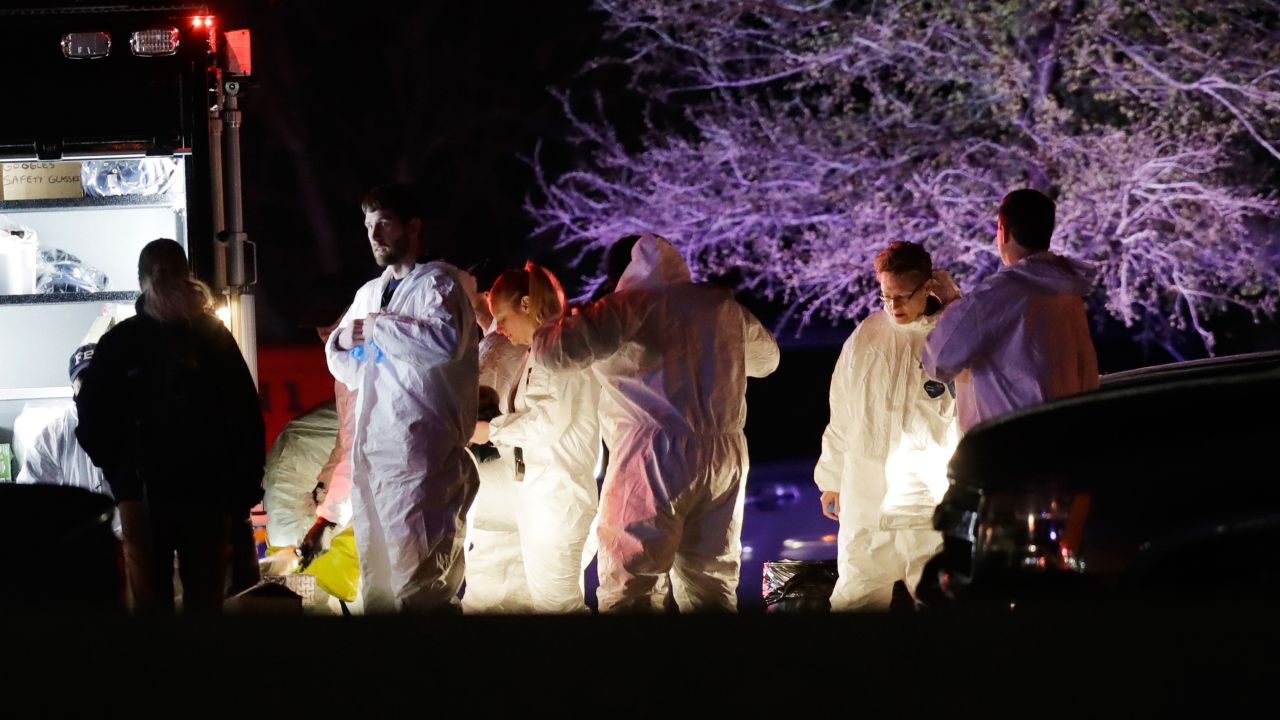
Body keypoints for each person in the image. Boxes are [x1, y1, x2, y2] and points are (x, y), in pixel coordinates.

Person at [531, 233, 780, 612]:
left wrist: (555, 320)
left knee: (631, 582)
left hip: (652, 455)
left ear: (619, 274)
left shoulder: (627, 305)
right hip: (725, 454)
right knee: (711, 584)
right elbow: (767, 360)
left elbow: (556, 354)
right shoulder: (719, 305)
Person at [75, 238, 264, 613]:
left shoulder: (124, 341)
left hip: (185, 494)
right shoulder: (209, 338)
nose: (164, 280)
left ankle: (163, 670)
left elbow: (92, 416)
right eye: (160, 272)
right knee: (197, 602)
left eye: (168, 272)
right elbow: (245, 415)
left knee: (159, 604)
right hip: (177, 494)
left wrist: (120, 477)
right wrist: (124, 479)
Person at [324, 184, 479, 612]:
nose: (374, 236)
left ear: (412, 227)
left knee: (421, 580)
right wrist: (340, 343)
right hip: (375, 455)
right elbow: (352, 369)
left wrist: (376, 328)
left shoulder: (440, 286)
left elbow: (442, 343)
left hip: (422, 456)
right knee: (379, 582)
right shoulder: (369, 294)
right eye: (368, 226)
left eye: (384, 224)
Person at [814, 241, 959, 610]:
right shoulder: (866, 336)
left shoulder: (950, 338)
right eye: (885, 295)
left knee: (938, 602)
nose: (893, 306)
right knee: (854, 601)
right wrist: (831, 478)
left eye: (902, 296)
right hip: (865, 500)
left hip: (925, 506)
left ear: (928, 287)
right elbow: (842, 410)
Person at [469, 262, 601, 613]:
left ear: (526, 305)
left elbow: (546, 423)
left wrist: (488, 431)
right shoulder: (543, 348)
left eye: (504, 318)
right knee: (551, 604)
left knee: (559, 606)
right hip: (544, 497)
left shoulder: (555, 348)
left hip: (557, 496)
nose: (502, 330)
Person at [923, 188, 1099, 431]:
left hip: (1008, 446)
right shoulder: (1066, 291)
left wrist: (950, 305)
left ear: (1002, 231)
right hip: (1064, 437)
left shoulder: (997, 295)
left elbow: (938, 361)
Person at [459, 262, 536, 613]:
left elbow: (479, 422)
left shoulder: (499, 346)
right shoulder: (508, 342)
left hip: (502, 497)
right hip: (522, 500)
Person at [17, 344, 121, 537]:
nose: (92, 384)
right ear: (72, 387)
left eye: (98, 375)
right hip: (81, 544)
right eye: (83, 378)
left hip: (133, 543)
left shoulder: (134, 423)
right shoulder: (53, 437)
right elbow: (30, 499)